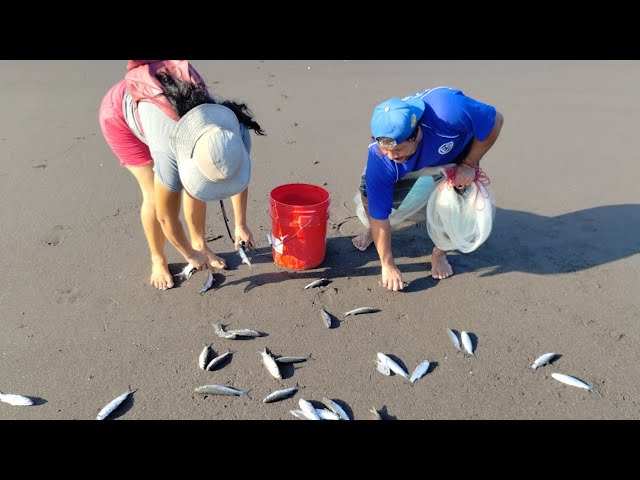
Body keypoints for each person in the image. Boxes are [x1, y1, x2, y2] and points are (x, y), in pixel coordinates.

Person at [98, 60, 265, 290]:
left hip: (170, 102)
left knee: (198, 182)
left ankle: (201, 243)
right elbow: (167, 217)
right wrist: (187, 253)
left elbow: (238, 172)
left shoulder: (234, 131)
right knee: (155, 197)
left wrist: (241, 224)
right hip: (120, 116)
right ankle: (158, 258)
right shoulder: (169, 155)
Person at [352, 87, 504, 291]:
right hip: (414, 163)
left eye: (397, 149)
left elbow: (495, 121)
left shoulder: (449, 110)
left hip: (456, 158)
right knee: (369, 193)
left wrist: (469, 164)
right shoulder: (382, 159)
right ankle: (373, 233)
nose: (391, 156)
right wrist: (387, 265)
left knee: (461, 207)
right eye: (386, 149)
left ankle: (439, 253)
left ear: (416, 135)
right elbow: (380, 216)